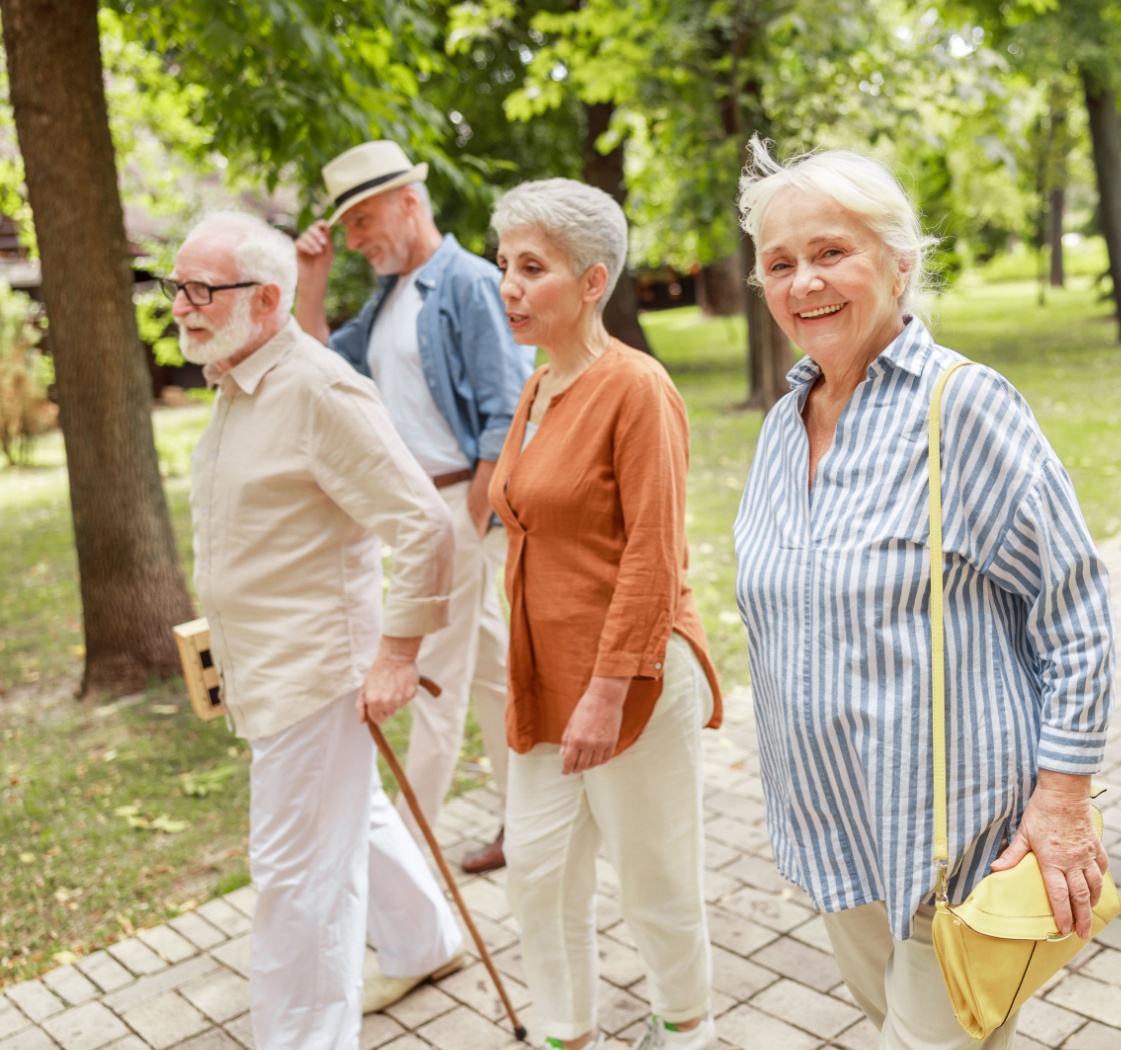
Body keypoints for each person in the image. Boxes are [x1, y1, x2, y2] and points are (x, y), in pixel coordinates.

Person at [732, 139, 1117, 1050]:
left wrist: (1062, 802)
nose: (803, 282)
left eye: (831, 252)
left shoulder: (962, 406)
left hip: (958, 842)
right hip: (840, 828)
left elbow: (1075, 613)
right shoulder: (784, 425)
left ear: (900, 262)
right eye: (779, 263)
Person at [176, 212, 464, 1047]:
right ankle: (425, 942)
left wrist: (399, 654)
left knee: (297, 876)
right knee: (356, 818)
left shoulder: (320, 389)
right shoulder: (238, 377)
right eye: (177, 288)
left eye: (203, 290)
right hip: (264, 661)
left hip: (315, 673)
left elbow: (423, 525)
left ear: (267, 300)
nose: (182, 307)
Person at [487, 179, 722, 1050]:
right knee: (538, 873)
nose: (509, 285)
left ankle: (686, 1025)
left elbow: (655, 555)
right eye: (505, 264)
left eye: (531, 268)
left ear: (592, 282)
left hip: (633, 678)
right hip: (543, 676)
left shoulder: (638, 389)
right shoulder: (537, 387)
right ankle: (565, 1033)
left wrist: (606, 689)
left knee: (655, 876)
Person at [294, 140, 533, 875]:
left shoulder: (464, 283)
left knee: (429, 684)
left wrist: (469, 520)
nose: (357, 239)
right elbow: (319, 366)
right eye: (350, 228)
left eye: (363, 221)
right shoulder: (390, 295)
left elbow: (506, 405)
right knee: (493, 679)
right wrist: (312, 281)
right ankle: (524, 828)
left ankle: (401, 868)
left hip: (456, 510)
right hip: (421, 513)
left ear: (409, 201)